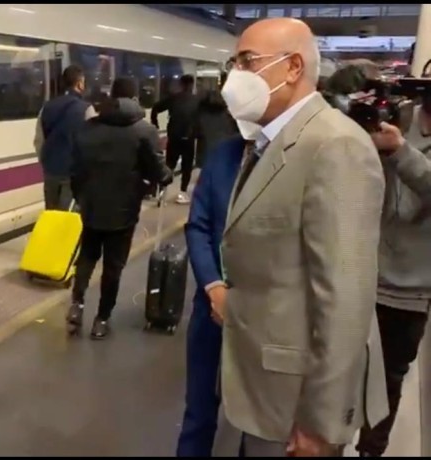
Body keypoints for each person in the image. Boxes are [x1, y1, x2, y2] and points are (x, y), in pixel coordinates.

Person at [212, 18, 387, 457]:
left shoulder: (335, 145)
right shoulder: (270, 141)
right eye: (234, 64)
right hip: (262, 387)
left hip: (296, 407)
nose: (235, 76)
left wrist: (321, 422)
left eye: (247, 61)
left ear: (293, 68)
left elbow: (346, 297)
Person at [176, 119, 259, 457]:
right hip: (211, 309)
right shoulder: (223, 154)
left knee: (257, 423)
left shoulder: (299, 157)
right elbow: (198, 225)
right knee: (198, 412)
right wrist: (213, 287)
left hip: (265, 318)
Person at [65, 77, 171, 339]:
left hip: (92, 206)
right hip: (123, 211)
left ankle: (77, 304)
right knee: (113, 267)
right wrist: (165, 176)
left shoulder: (88, 127)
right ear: (134, 99)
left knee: (87, 257)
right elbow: (158, 170)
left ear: (111, 97)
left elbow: (75, 170)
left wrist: (82, 197)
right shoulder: (144, 130)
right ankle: (101, 320)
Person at [355, 102, 431, 457]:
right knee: (338, 372)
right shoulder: (397, 116)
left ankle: (370, 450)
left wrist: (400, 150)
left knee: (387, 381)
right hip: (360, 276)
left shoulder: (399, 139)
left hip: (409, 290)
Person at [33, 65, 98, 210]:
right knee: (68, 215)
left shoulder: (46, 108)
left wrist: (47, 163)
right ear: (79, 84)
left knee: (52, 213)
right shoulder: (87, 109)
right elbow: (92, 144)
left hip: (51, 173)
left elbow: (39, 141)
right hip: (73, 174)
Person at [150, 74, 199, 204]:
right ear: (192, 85)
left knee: (169, 165)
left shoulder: (173, 98)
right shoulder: (197, 100)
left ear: (181, 84)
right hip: (189, 138)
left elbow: (155, 108)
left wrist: (155, 124)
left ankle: (162, 193)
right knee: (186, 167)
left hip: (174, 137)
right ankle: (182, 193)